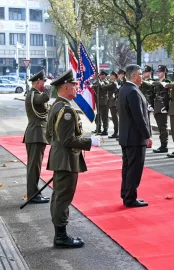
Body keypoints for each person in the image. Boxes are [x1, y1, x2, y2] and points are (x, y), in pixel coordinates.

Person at [46, 69, 102, 248]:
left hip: (60, 157)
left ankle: (59, 234)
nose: (77, 87)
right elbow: (68, 140)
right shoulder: (66, 110)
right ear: (65, 86)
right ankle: (61, 237)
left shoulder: (56, 106)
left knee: (59, 196)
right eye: (74, 85)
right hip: (66, 159)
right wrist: (89, 141)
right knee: (63, 197)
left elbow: (50, 135)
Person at [118, 64, 152, 208]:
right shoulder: (132, 91)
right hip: (135, 138)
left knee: (127, 167)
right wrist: (147, 136)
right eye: (139, 73)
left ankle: (126, 193)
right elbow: (139, 117)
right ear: (133, 76)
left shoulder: (124, 89)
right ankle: (130, 198)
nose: (142, 76)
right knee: (134, 169)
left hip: (126, 136)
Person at [23, 70, 51, 203]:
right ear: (37, 81)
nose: (44, 84)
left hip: (38, 134)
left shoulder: (35, 94)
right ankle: (33, 195)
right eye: (43, 82)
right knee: (34, 167)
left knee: (35, 166)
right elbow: (43, 98)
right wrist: (49, 90)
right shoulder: (33, 94)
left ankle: (34, 193)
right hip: (35, 134)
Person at [152, 65, 171, 153]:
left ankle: (164, 145)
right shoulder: (156, 82)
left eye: (161, 72)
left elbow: (168, 96)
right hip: (157, 107)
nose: (159, 73)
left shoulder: (167, 82)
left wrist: (166, 107)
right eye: (158, 72)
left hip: (163, 107)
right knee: (160, 127)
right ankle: (162, 144)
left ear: (164, 73)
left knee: (163, 127)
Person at [94, 70, 109, 135]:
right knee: (98, 116)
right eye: (100, 75)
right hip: (98, 102)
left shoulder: (106, 82)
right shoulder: (98, 82)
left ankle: (105, 129)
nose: (100, 76)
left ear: (105, 76)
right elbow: (94, 87)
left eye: (101, 75)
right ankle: (98, 128)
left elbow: (102, 87)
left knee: (104, 116)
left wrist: (98, 81)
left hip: (104, 102)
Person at [107, 71, 119, 138]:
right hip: (112, 102)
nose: (110, 76)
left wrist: (101, 83)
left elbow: (105, 87)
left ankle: (116, 132)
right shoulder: (113, 83)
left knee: (115, 118)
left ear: (114, 76)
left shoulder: (114, 83)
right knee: (114, 118)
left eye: (111, 75)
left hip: (114, 103)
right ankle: (116, 132)